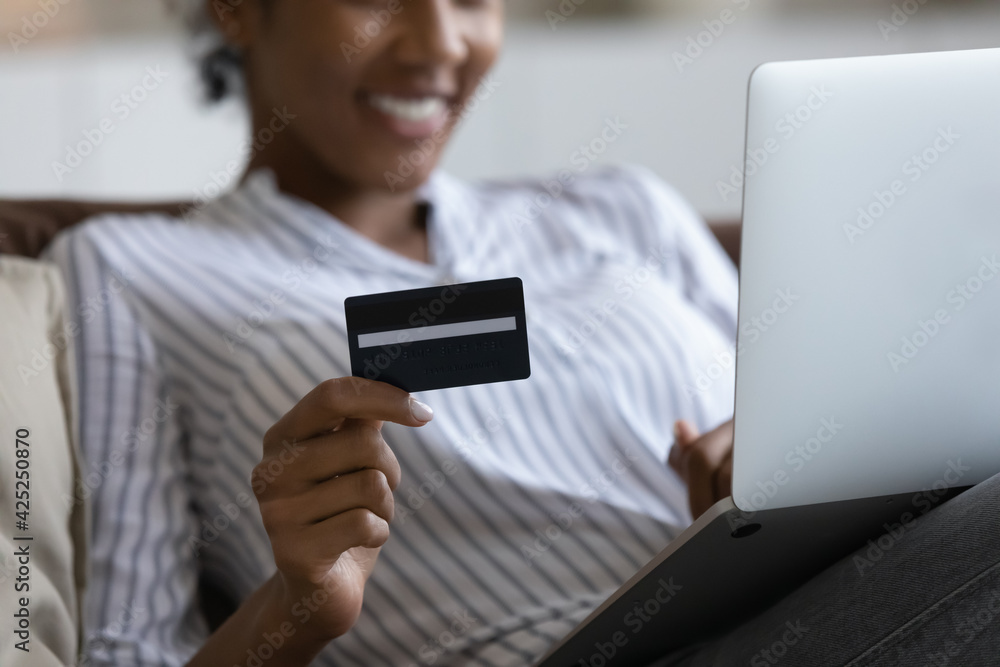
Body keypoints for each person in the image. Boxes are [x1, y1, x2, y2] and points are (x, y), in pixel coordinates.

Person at [42, 1, 1000, 665]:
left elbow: (827, 422)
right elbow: (132, 648)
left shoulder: (618, 208)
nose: (438, 44)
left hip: (842, 598)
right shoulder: (129, 269)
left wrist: (780, 470)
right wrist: (293, 611)